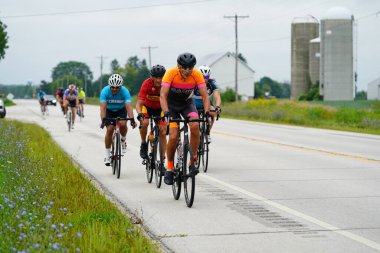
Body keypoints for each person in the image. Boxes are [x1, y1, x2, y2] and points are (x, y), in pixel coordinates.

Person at [160, 52, 210, 185]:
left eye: (190, 67)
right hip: (171, 107)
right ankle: (169, 167)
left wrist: (206, 113)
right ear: (178, 66)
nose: (187, 71)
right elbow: (163, 95)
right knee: (174, 136)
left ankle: (192, 161)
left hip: (187, 104)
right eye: (184, 67)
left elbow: (205, 96)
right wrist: (166, 112)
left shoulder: (197, 75)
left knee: (195, 126)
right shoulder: (171, 73)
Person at [100, 74, 137, 166]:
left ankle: (123, 140)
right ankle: (107, 155)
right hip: (109, 111)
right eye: (112, 87)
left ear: (121, 86)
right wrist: (103, 120)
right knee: (109, 129)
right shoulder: (105, 91)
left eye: (117, 88)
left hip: (121, 110)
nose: (115, 89)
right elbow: (103, 108)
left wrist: (132, 119)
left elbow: (128, 106)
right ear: (110, 86)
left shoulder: (125, 91)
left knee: (123, 124)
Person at [136, 64, 167, 167]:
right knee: (144, 123)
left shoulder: (166, 84)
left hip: (160, 109)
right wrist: (140, 113)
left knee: (162, 131)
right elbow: (139, 102)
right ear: (151, 77)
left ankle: (162, 161)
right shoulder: (147, 84)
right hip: (147, 108)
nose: (158, 80)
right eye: (156, 77)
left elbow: (169, 101)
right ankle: (143, 143)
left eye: (161, 77)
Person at [193, 65, 222, 143]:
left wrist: (218, 106)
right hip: (194, 105)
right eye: (203, 77)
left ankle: (208, 132)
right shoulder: (194, 82)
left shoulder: (212, 82)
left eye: (207, 77)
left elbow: (217, 95)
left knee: (212, 112)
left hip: (207, 104)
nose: (205, 79)